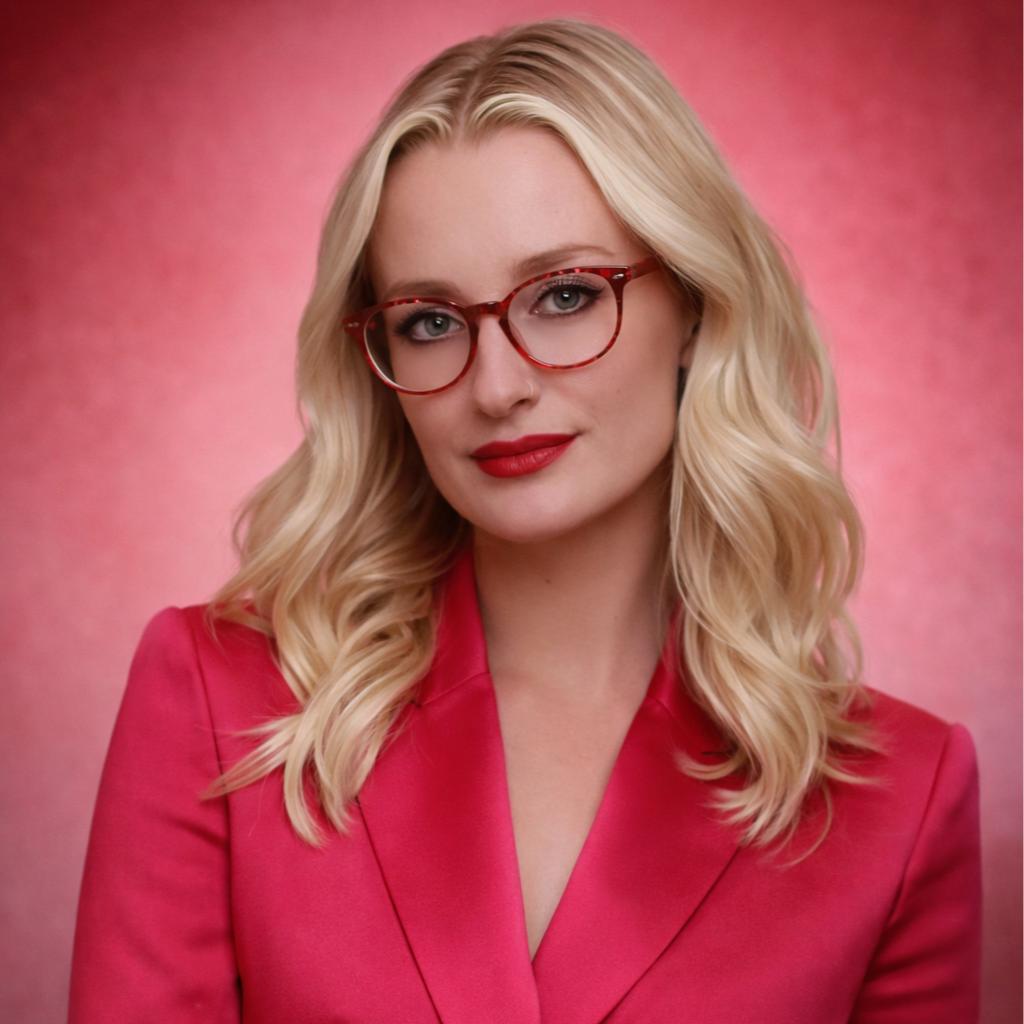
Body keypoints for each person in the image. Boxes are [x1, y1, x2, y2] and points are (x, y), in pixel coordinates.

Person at [69, 19, 981, 1023]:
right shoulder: (219, 704)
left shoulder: (902, 798)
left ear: (695, 305)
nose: (497, 386)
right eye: (429, 321)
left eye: (564, 296)